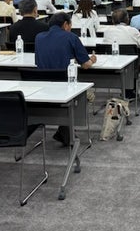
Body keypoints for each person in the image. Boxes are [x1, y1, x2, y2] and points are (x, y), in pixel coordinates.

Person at [35, 12, 96, 145]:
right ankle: (65, 129)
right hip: (65, 87)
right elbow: (86, 65)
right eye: (70, 25)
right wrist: (92, 60)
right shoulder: (71, 37)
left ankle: (64, 131)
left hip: (42, 87)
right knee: (88, 94)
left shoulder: (39, 37)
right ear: (65, 24)